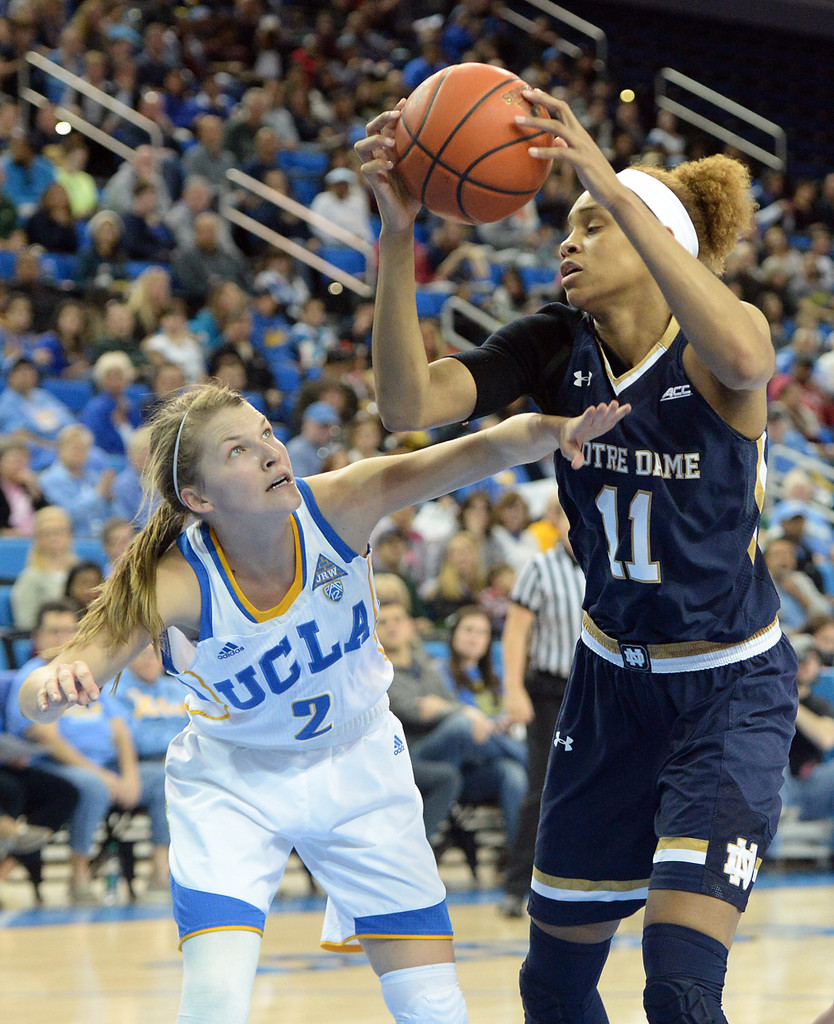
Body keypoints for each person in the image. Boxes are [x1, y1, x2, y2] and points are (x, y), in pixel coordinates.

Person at [357, 90, 798, 1024]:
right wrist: (396, 237)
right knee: (551, 992)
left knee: (679, 987)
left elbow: (754, 358)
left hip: (726, 689)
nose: (567, 240)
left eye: (591, 225)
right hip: (606, 691)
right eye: (568, 225)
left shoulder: (716, 350)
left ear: (653, 242)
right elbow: (405, 405)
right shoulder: (555, 345)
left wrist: (605, 171)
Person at [18, 379, 625, 1024]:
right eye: (238, 452)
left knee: (433, 1006)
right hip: (234, 781)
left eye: (268, 435)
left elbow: (474, 453)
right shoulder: (175, 578)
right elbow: (46, 686)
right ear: (197, 497)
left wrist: (550, 432)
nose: (271, 453)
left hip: (361, 763)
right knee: (213, 1003)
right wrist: (52, 692)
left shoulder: (338, 504)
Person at [7, 598, 170, 905]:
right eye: (54, 631)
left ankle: (160, 872)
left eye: (70, 631)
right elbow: (48, 738)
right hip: (53, 766)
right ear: (37, 638)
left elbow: (120, 731)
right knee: (94, 787)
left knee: (162, 777)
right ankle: (78, 876)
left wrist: (131, 776)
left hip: (107, 765)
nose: (62, 639)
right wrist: (103, 777)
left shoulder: (85, 675)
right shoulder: (31, 677)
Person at [497, 500, 585, 918]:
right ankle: (518, 885)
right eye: (570, 516)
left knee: (601, 787)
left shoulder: (607, 564)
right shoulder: (539, 568)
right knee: (543, 787)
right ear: (554, 521)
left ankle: (591, 881)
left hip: (599, 690)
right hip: (551, 689)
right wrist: (513, 688)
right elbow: (516, 632)